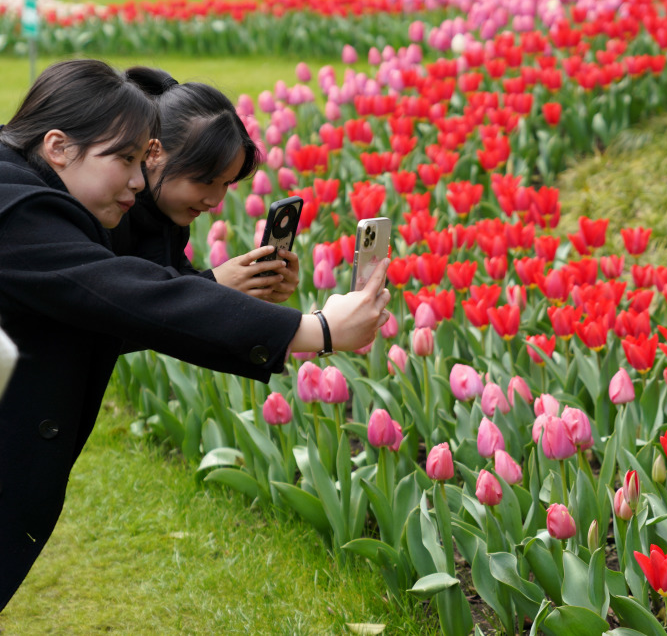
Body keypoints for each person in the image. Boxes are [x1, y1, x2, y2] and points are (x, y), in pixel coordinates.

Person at [0, 59, 391, 610]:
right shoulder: (17, 211)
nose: (139, 180)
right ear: (59, 146)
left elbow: (112, 303)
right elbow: (127, 294)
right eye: (127, 160)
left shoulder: (53, 197)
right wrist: (318, 330)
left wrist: (217, 287)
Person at [110, 67, 299, 304]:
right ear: (154, 153)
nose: (214, 200)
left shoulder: (165, 214)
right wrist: (216, 283)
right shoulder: (113, 213)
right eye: (206, 180)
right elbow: (127, 306)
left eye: (226, 183)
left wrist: (249, 287)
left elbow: (174, 284)